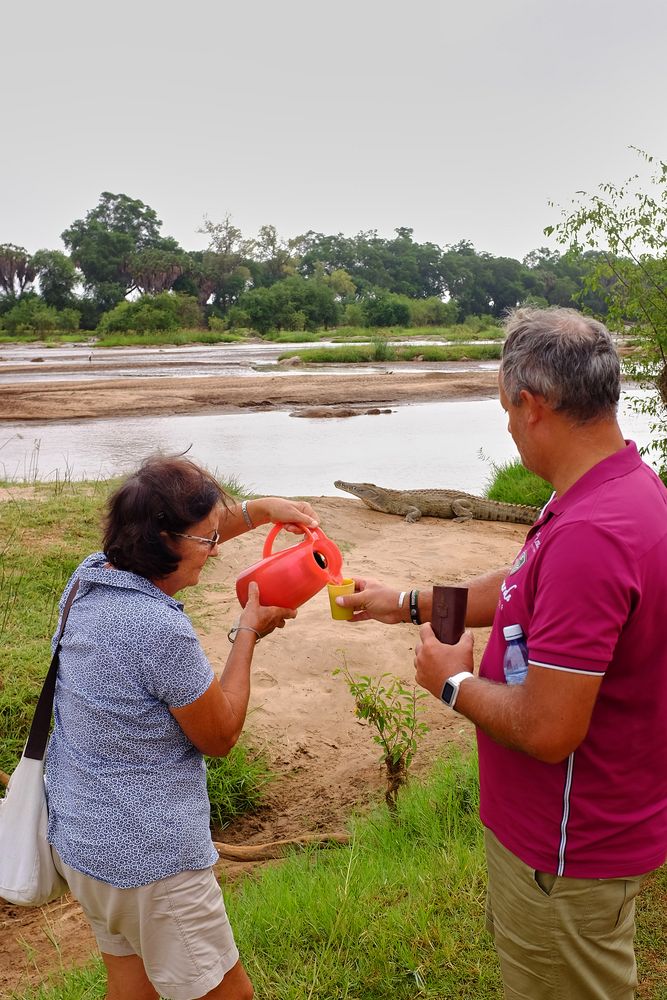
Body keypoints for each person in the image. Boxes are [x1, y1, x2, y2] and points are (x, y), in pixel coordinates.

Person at [336, 307, 667, 1000]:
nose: (509, 429)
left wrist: (450, 683)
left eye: (505, 412)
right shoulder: (610, 492)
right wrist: (406, 603)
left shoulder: (592, 535)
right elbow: (519, 588)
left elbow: (549, 732)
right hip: (569, 842)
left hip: (564, 855)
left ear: (531, 403)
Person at [45, 454, 319, 1000]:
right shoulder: (158, 628)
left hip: (83, 842)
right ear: (163, 542)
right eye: (208, 541)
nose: (216, 551)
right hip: (152, 863)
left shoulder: (89, 578)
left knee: (132, 986)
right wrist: (247, 633)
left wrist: (262, 511)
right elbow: (220, 736)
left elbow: (200, 531)